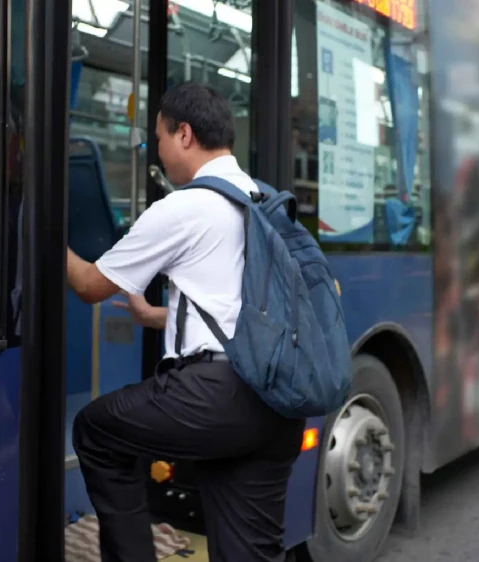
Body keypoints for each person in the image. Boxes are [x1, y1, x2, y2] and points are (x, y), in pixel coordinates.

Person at [65, 82, 304, 562]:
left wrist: (45, 233)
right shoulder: (264, 200)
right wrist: (158, 316)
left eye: (158, 137)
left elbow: (90, 285)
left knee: (96, 430)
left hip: (216, 399)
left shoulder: (183, 206)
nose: (156, 149)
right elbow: (237, 302)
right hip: (279, 403)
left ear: (185, 135)